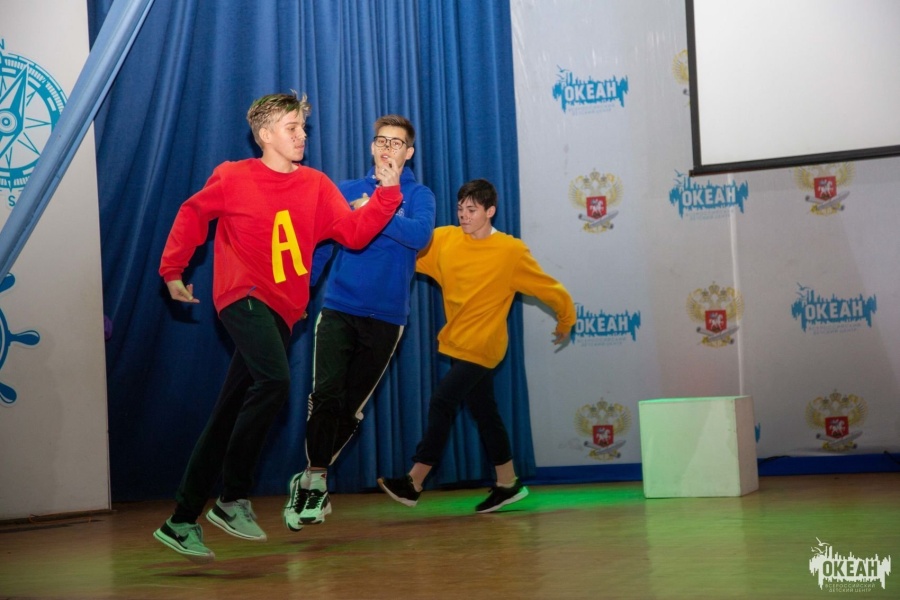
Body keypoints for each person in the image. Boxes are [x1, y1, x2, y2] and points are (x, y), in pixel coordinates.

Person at [152, 91, 403, 563]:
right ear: (265, 135)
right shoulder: (234, 176)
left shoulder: (316, 185)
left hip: (284, 313)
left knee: (227, 414)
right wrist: (172, 270)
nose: (302, 135)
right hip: (243, 296)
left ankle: (181, 520)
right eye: (292, 128)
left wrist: (387, 195)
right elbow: (192, 213)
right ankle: (232, 498)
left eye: (303, 127)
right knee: (275, 382)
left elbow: (352, 233)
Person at [377, 178, 576, 513]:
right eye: (460, 209)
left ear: (490, 211)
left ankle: (414, 481)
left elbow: (549, 288)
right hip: (458, 343)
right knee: (485, 413)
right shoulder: (444, 239)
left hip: (484, 346)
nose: (464, 215)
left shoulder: (510, 251)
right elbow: (407, 255)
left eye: (472, 210)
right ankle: (508, 483)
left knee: (442, 401)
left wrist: (565, 319)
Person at [282, 115, 436, 531]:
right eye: (381, 141)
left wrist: (378, 209)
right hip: (339, 308)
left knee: (349, 408)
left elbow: (420, 237)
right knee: (325, 395)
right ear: (372, 147)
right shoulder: (347, 190)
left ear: (409, 153)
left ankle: (310, 477)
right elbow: (321, 246)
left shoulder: (420, 196)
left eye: (396, 143)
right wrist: (301, 294)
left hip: (387, 318)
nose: (387, 148)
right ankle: (317, 480)